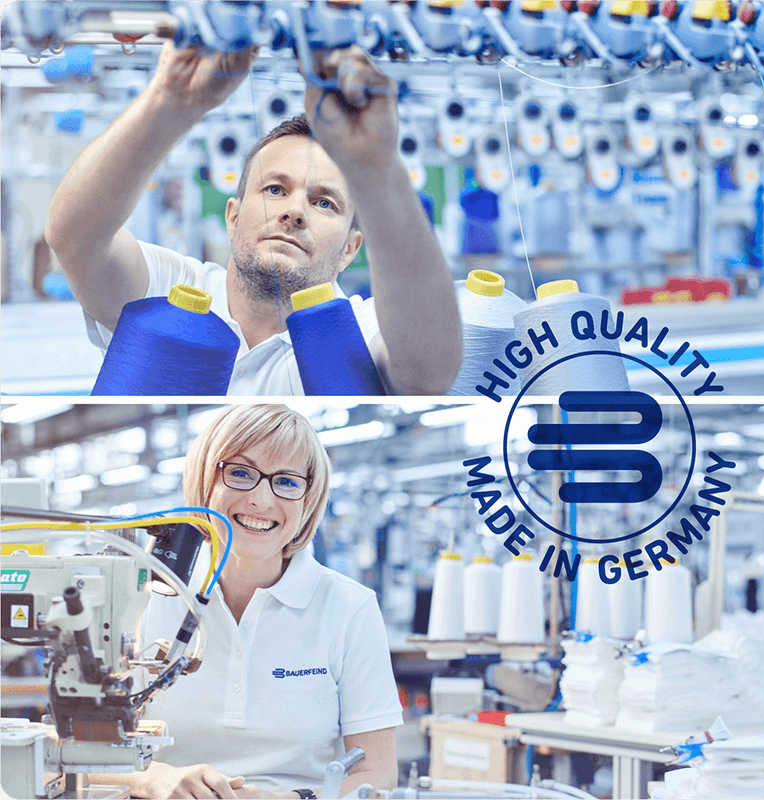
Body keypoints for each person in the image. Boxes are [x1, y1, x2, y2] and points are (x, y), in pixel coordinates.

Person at [44, 40, 462, 395]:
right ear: (232, 215)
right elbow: (74, 239)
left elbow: (429, 371)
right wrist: (170, 101)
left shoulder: (363, 331)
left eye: (324, 203)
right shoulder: (166, 291)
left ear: (351, 249)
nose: (294, 211)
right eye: (275, 189)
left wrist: (377, 169)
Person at [92, 404, 403, 799]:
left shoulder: (348, 606)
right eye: (240, 473)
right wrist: (155, 777)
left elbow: (377, 771)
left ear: (308, 500)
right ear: (205, 481)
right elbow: (79, 743)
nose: (260, 499)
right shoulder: (143, 592)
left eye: (287, 482)